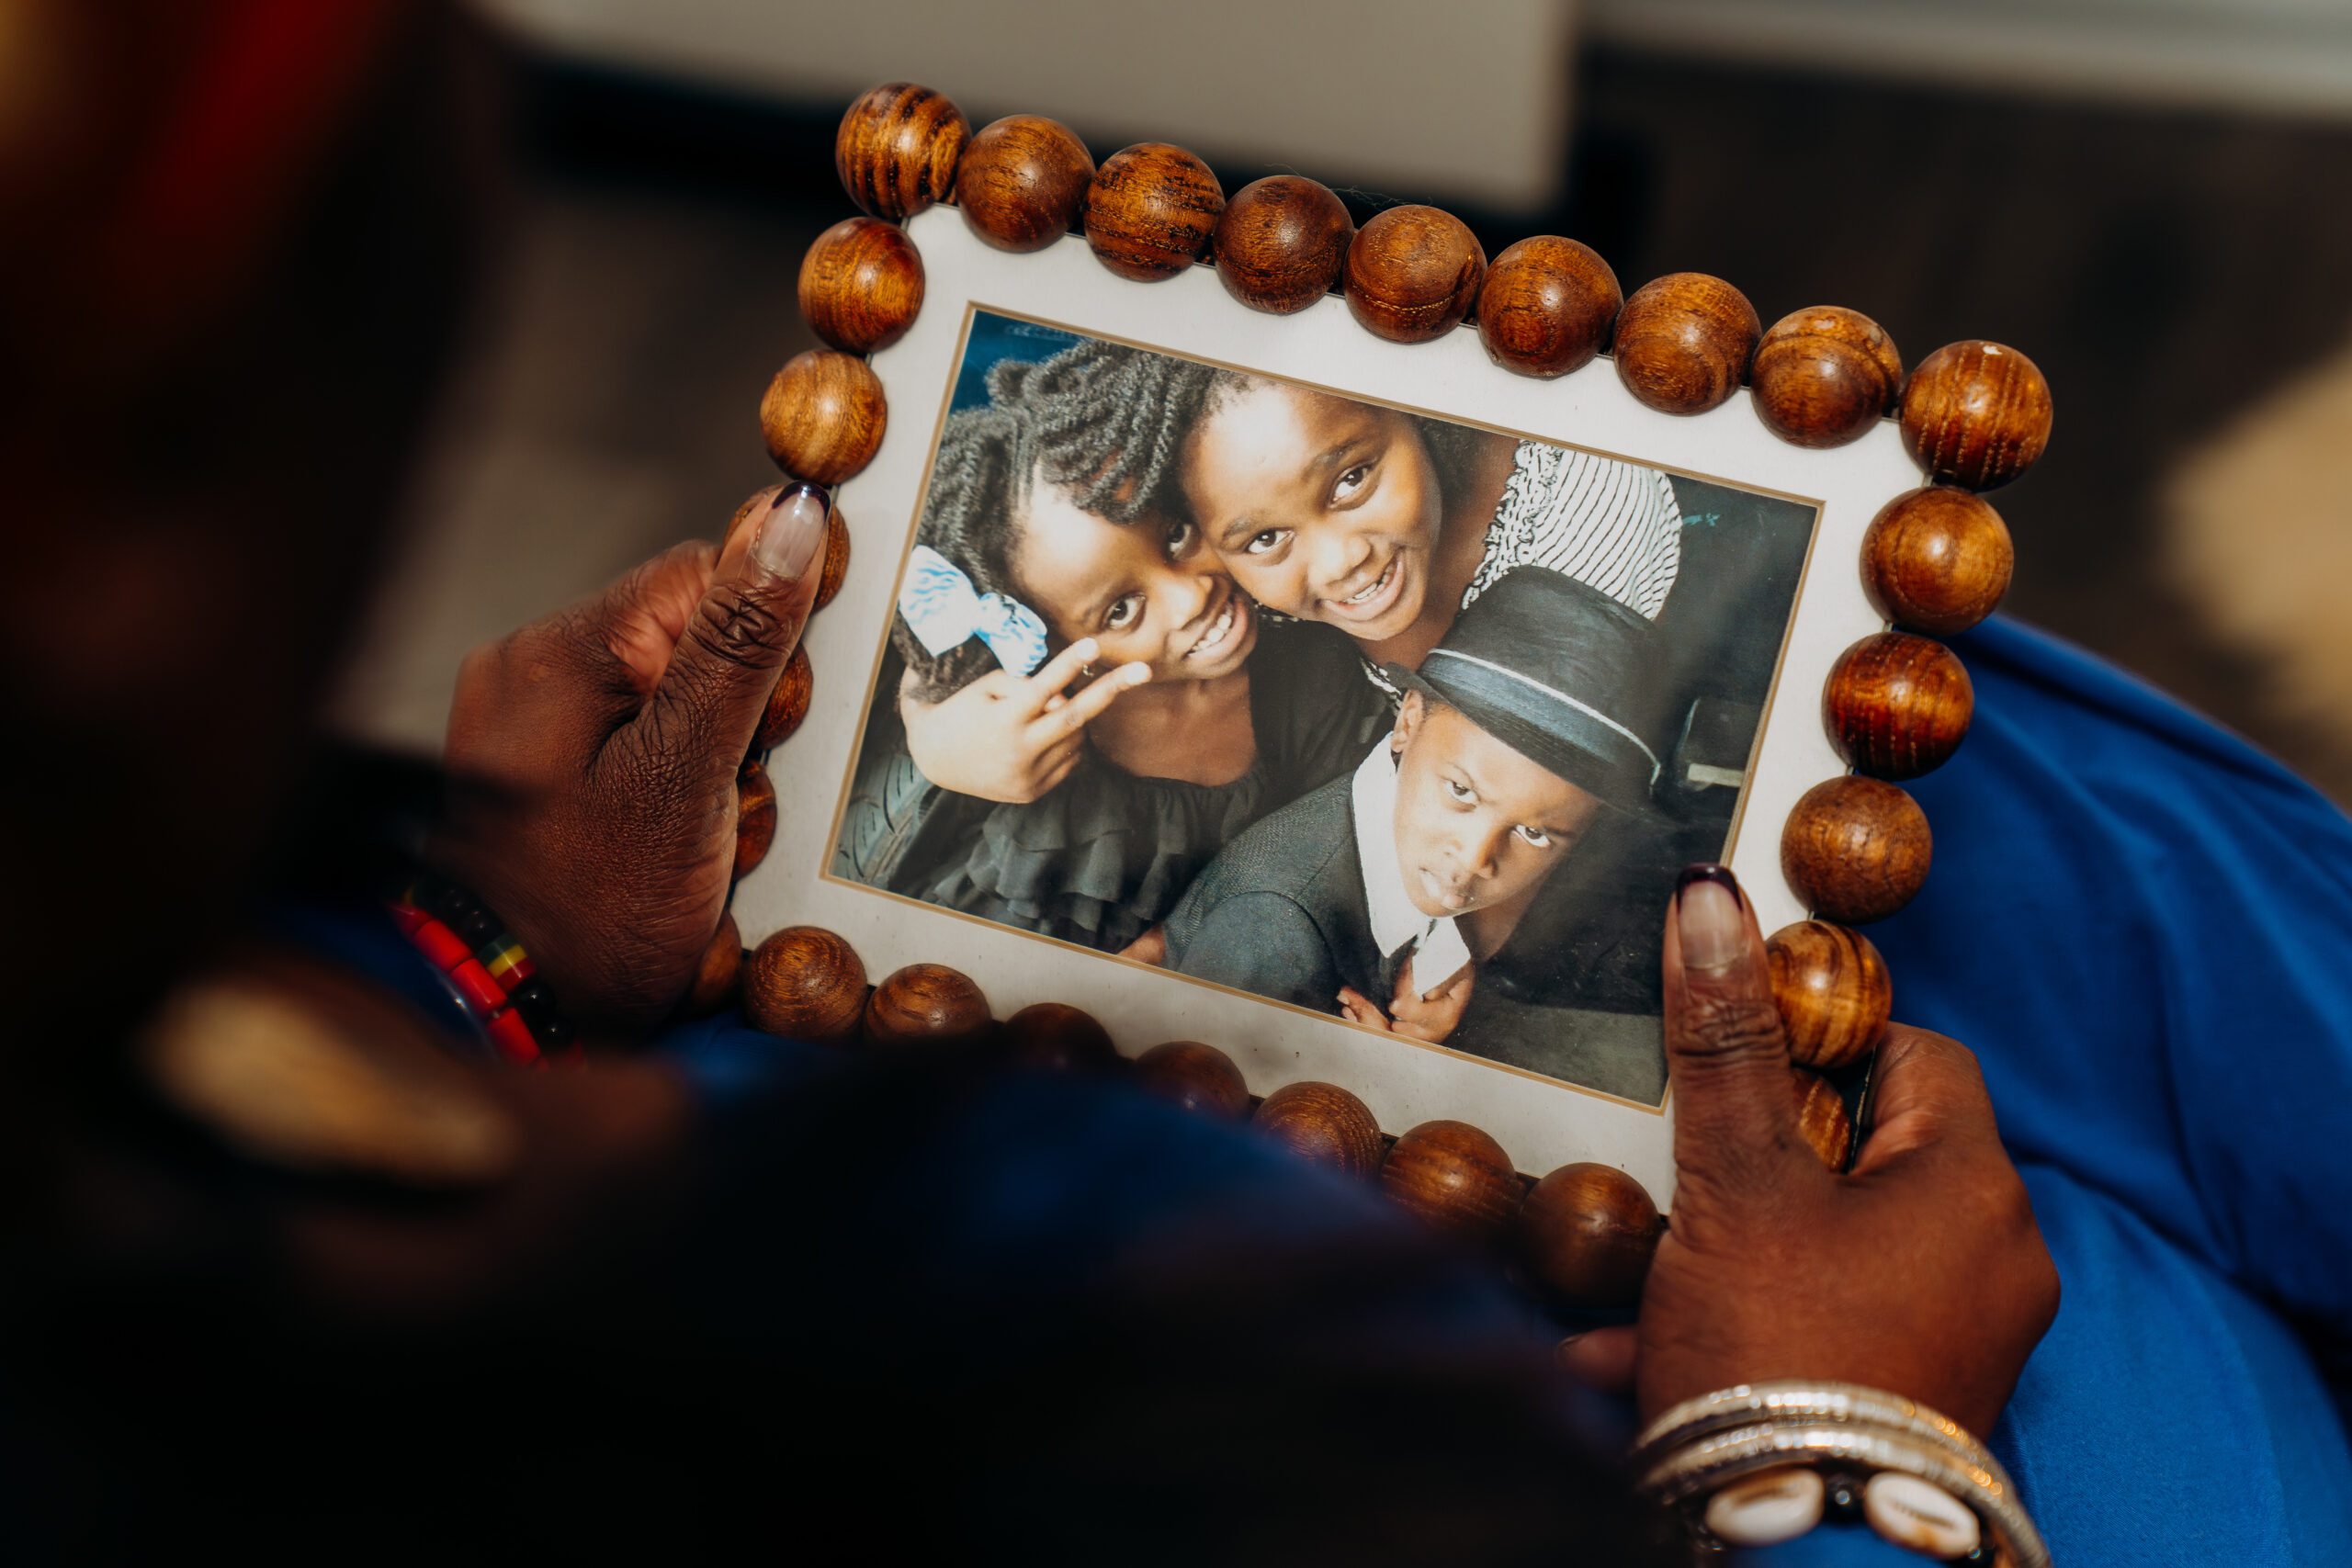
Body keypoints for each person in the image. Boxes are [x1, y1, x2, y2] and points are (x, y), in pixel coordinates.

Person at [3, 4, 2342, 1563]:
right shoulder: (1115, 1360)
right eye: (1162, 580)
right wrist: (1830, 1459)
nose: (1248, 597)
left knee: (1975, 813)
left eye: (1329, 504)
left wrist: (479, 957)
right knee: (2021, 864)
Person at [899, 341, 1684, 799]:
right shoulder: (1221, 577)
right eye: (1264, 539)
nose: (1342, 561)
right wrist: (932, 736)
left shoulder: (1585, 513)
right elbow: (990, 612)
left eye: (1352, 479)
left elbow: (1520, 801)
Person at [847, 392, 1388, 953]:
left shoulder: (1309, 666)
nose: (1190, 597)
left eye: (1176, 535)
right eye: (1121, 611)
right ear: (1048, 647)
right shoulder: (1049, 781)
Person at [1165, 570, 1664, 1043]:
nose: (1474, 861)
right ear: (1408, 720)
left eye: (1535, 834)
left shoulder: (1397, 818)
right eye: (1461, 792)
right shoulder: (1271, 931)